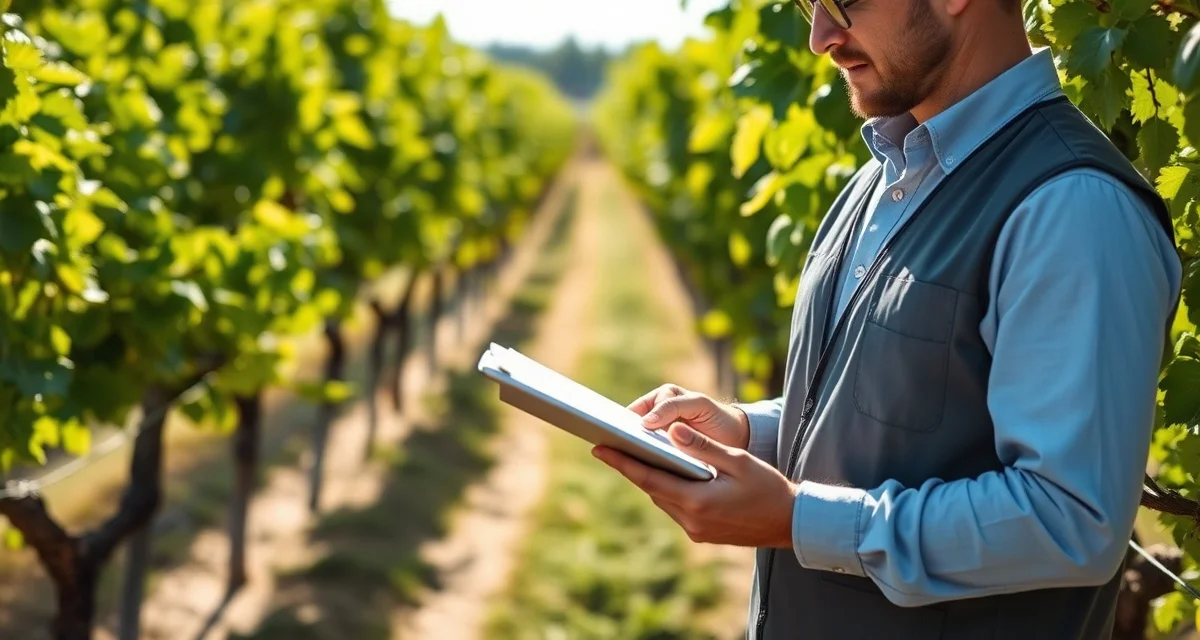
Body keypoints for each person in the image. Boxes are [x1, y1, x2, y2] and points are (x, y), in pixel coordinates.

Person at [589, 0, 1184, 637]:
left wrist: (795, 519)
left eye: (845, 3)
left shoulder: (1073, 208)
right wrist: (744, 431)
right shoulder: (884, 178)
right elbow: (896, 399)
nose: (821, 36)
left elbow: (1067, 519)